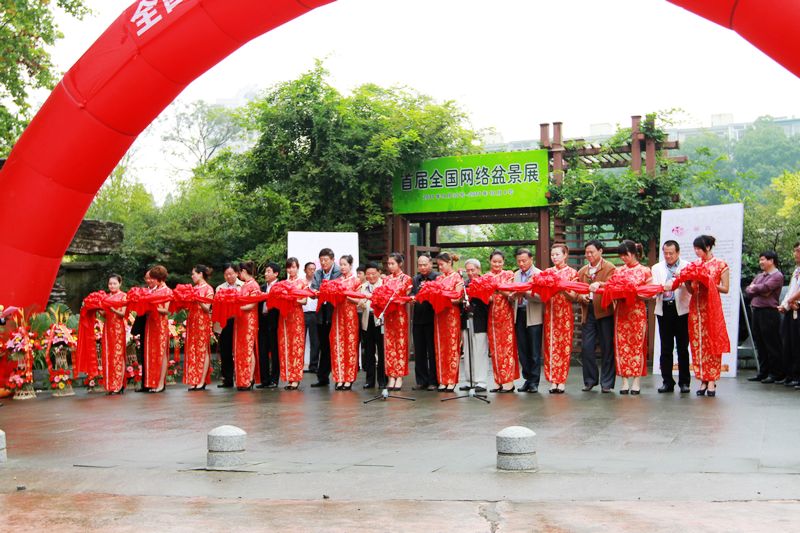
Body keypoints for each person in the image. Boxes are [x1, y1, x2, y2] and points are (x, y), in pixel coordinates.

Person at [666, 235, 730, 397]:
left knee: (711, 343)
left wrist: (708, 281)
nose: (696, 251)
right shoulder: (695, 265)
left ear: (707, 247)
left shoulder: (720, 264)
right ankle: (702, 379)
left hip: (711, 308)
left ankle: (711, 380)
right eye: (695, 248)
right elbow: (692, 291)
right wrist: (687, 281)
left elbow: (725, 288)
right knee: (698, 344)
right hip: (696, 308)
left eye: (699, 248)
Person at [610, 240, 651, 395]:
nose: (623, 258)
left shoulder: (644, 271)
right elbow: (612, 288)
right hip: (621, 312)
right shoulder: (618, 271)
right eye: (621, 255)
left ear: (633, 253)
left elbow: (650, 293)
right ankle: (624, 381)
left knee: (637, 345)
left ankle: (636, 381)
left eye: (625, 255)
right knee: (622, 345)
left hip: (637, 312)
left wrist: (634, 293)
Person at [651, 240, 691, 393]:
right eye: (665, 253)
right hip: (664, 309)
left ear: (678, 252)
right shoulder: (656, 268)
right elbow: (654, 289)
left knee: (682, 347)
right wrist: (661, 288)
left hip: (682, 310)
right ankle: (667, 381)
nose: (668, 256)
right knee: (665, 347)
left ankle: (684, 382)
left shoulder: (687, 266)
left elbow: (691, 287)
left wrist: (678, 282)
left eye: (671, 253)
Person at [576, 240, 617, 393]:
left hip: (605, 311)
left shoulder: (610, 268)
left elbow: (614, 285)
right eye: (586, 252)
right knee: (586, 347)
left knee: (607, 347)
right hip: (589, 311)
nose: (589, 255)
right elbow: (577, 291)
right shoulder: (582, 271)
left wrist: (600, 283)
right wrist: (582, 297)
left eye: (592, 252)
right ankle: (590, 380)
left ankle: (607, 383)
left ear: (600, 251)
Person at [745, 250, 785, 383]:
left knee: (771, 343)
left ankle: (776, 373)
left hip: (769, 312)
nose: (760, 262)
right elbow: (748, 290)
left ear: (771, 261)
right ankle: (763, 372)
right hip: (756, 311)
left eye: (763, 259)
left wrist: (755, 288)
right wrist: (757, 289)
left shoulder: (777, 275)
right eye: (760, 259)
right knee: (760, 343)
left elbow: (766, 288)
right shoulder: (760, 275)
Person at [543, 244, 577, 394]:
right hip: (550, 314)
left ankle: (561, 380)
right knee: (550, 346)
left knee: (564, 346)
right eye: (552, 255)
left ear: (565, 255)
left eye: (557, 254)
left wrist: (562, 289)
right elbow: (542, 294)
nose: (554, 257)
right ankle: (553, 380)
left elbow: (574, 296)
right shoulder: (547, 273)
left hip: (564, 314)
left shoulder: (572, 273)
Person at [486, 250, 519, 393]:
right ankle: (498, 381)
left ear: (503, 262)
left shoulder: (509, 274)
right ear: (490, 261)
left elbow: (511, 294)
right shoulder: (486, 276)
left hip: (506, 315)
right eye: (494, 261)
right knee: (494, 349)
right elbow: (486, 297)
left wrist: (498, 288)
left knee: (507, 348)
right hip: (492, 316)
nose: (497, 264)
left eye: (500, 262)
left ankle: (509, 382)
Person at [512, 248, 543, 393]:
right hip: (519, 314)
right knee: (523, 350)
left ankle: (534, 381)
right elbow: (512, 293)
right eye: (519, 261)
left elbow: (542, 297)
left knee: (534, 351)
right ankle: (527, 379)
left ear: (531, 259)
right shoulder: (516, 274)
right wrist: (512, 295)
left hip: (533, 315)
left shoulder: (539, 274)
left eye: (524, 261)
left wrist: (525, 293)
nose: (521, 263)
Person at [310, 248, 341, 388]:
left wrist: (325, 290)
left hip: (334, 310)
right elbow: (314, 289)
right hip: (321, 312)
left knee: (335, 344)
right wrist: (316, 292)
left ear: (333, 260)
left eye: (326, 260)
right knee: (323, 345)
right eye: (321, 260)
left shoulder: (339, 272)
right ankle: (322, 377)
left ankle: (339, 377)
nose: (323, 263)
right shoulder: (318, 273)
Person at [383, 252, 413, 391]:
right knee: (389, 344)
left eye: (392, 263)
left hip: (400, 314)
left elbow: (405, 297)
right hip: (388, 314)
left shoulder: (406, 279)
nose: (390, 266)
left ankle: (399, 376)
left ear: (400, 264)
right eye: (388, 264)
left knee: (400, 344)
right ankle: (391, 375)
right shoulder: (386, 279)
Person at [434, 252, 464, 392]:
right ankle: (442, 379)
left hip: (451, 314)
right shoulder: (438, 278)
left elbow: (458, 298)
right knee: (440, 346)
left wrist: (444, 298)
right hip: (439, 314)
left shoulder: (457, 277)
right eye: (438, 265)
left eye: (442, 264)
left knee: (452, 345)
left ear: (449, 263)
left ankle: (451, 379)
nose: (440, 267)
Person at [330, 255, 361, 390]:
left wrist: (346, 295)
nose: (342, 267)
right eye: (341, 264)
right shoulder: (336, 281)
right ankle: (339, 377)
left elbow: (358, 300)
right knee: (337, 345)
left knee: (350, 345)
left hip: (350, 316)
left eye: (345, 264)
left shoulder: (356, 281)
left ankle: (349, 378)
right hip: (337, 316)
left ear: (350, 265)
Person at [459, 258, 489, 392]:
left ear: (478, 269)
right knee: (467, 351)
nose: (470, 273)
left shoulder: (485, 282)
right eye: (468, 270)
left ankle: (481, 381)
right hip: (466, 319)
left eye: (473, 270)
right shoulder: (464, 284)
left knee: (480, 351)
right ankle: (469, 380)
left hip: (480, 319)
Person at [411, 254, 440, 391]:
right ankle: (421, 380)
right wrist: (412, 297)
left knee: (432, 351)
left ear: (431, 264)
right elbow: (411, 293)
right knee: (419, 351)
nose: (422, 267)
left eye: (425, 264)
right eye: (420, 265)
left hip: (432, 318)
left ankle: (433, 380)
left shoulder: (437, 277)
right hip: (417, 318)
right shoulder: (415, 279)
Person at [278, 257, 307, 390]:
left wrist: (292, 298)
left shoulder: (302, 282)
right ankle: (289, 377)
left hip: (296, 316)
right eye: (289, 267)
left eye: (293, 267)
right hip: (284, 317)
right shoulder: (282, 283)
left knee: (296, 345)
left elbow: (304, 301)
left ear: (298, 268)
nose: (291, 270)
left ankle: (296, 378)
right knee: (285, 345)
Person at [184, 265, 214, 391]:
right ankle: (194, 379)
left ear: (200, 274)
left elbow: (207, 308)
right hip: (192, 321)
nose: (192, 276)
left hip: (202, 322)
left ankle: (202, 380)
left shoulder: (208, 289)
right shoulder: (193, 288)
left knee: (202, 349)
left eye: (194, 274)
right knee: (192, 349)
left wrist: (198, 299)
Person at [145, 265, 172, 393]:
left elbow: (165, 310)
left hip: (160, 324)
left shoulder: (167, 291)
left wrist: (153, 306)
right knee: (152, 353)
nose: (151, 281)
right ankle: (153, 382)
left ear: (159, 278)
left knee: (161, 353)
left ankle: (161, 383)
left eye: (153, 278)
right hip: (151, 324)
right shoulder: (153, 291)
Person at [358, 262, 386, 389]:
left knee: (381, 350)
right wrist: (363, 302)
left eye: (373, 273)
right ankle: (370, 380)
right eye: (368, 274)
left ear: (379, 272)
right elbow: (360, 302)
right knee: (369, 351)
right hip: (367, 319)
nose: (371, 276)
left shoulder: (384, 285)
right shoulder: (363, 286)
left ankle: (382, 380)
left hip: (380, 320)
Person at [233, 261, 260, 391]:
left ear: (243, 271)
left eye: (239, 272)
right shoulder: (244, 285)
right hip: (241, 319)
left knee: (249, 348)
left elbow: (252, 304)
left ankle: (249, 378)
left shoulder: (254, 285)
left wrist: (237, 308)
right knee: (241, 349)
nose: (239, 275)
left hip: (249, 320)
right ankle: (242, 379)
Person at [215, 263, 243, 388]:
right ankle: (227, 378)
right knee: (225, 350)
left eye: (231, 274)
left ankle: (242, 378)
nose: (229, 276)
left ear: (237, 273)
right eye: (226, 274)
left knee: (239, 349)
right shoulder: (219, 288)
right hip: (224, 321)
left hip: (239, 321)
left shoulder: (242, 286)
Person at [778, 242, 800, 389]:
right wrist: (785, 304)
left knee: (798, 344)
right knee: (789, 343)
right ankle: (791, 374)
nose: (795, 254)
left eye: (798, 251)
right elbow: (792, 289)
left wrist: (791, 300)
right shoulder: (796, 270)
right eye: (795, 251)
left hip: (797, 306)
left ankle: (797, 376)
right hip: (791, 308)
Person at [100, 274, 127, 395]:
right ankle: (110, 385)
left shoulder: (123, 296)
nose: (112, 286)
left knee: (118, 355)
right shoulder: (106, 297)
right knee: (108, 355)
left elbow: (122, 314)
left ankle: (119, 385)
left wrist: (113, 309)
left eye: (114, 283)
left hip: (118, 329)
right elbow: (105, 315)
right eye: (110, 283)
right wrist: (98, 309)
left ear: (120, 284)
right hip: (107, 328)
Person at [257, 262, 281, 389]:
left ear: (276, 274)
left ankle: (274, 379)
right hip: (263, 321)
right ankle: (264, 380)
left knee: (275, 351)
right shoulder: (261, 288)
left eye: (268, 271)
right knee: (263, 351)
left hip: (275, 322)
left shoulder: (280, 287)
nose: (266, 274)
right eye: (265, 271)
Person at [132, 271, 156, 392]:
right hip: (143, 325)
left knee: (153, 354)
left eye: (150, 278)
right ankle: (145, 384)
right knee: (144, 354)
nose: (148, 281)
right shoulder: (143, 291)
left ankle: (154, 383)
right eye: (146, 278)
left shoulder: (159, 291)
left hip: (155, 325)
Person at [302, 261, 320, 373]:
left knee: (315, 341)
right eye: (310, 269)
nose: (312, 271)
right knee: (300, 340)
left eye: (314, 269)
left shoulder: (318, 282)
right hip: (302, 313)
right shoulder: (301, 282)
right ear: (305, 270)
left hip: (314, 313)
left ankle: (313, 366)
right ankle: (299, 365)